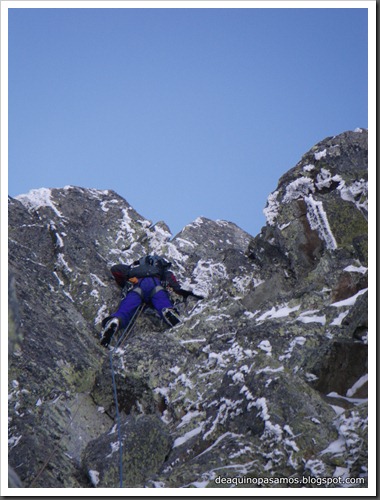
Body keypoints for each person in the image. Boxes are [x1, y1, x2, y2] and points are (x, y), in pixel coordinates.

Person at [100, 254, 201, 347]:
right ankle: (168, 311)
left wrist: (125, 281)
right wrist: (189, 294)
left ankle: (116, 320)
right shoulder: (163, 272)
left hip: (136, 286)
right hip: (155, 284)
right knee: (162, 300)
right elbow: (175, 286)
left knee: (126, 308)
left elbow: (115, 269)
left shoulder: (134, 269)